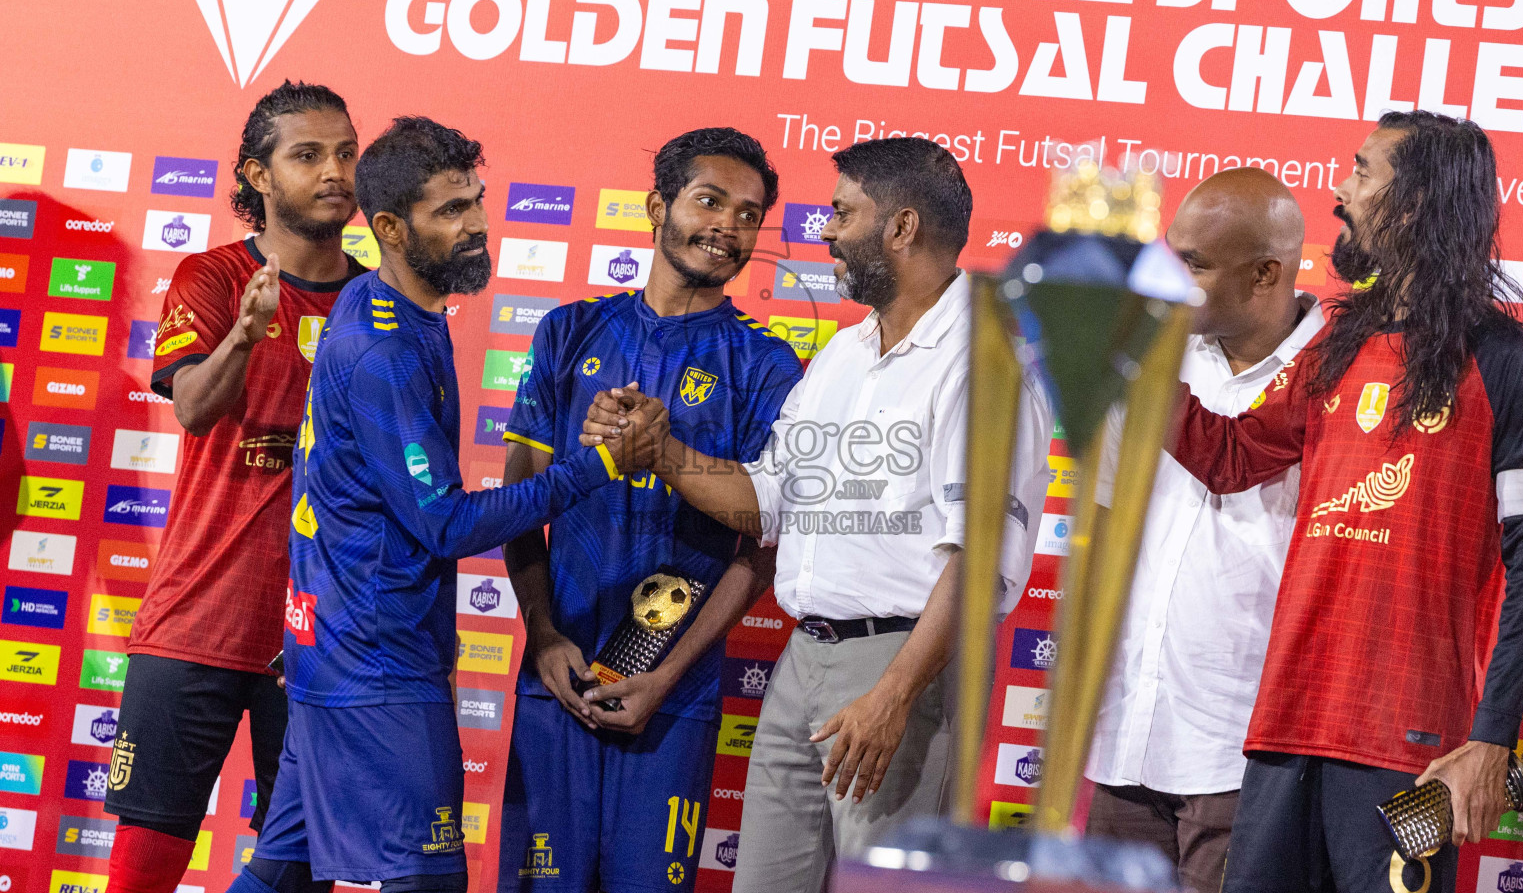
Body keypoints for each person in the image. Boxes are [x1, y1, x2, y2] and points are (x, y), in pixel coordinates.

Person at [582, 137, 1054, 892]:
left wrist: (893, 694)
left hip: (906, 667)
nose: (822, 230)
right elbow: (767, 501)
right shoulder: (843, 354)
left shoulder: (984, 362)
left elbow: (980, 560)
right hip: (803, 662)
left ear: (900, 229)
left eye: (841, 213)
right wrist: (662, 450)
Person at [227, 117, 660, 893]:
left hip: (342, 646)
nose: (477, 225)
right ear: (390, 228)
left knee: (281, 871)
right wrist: (597, 465)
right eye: (451, 212)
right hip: (374, 662)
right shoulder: (385, 347)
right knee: (428, 881)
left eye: (477, 202)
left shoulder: (386, 305)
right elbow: (446, 524)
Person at [1168, 111, 1523, 892]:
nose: (1340, 190)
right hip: (1287, 727)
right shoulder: (1338, 339)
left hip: (1415, 750)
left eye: (1363, 173)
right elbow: (1231, 455)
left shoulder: (1508, 362)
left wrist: (1492, 737)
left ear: (1416, 204)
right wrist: (1122, 356)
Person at [498, 128, 803, 893]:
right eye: (709, 201)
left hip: (677, 697)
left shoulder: (765, 364)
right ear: (657, 206)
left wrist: (667, 678)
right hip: (555, 680)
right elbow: (516, 505)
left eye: (748, 214)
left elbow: (763, 543)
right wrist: (541, 635)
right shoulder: (567, 332)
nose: (728, 227)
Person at [106, 80, 368, 892]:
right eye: (308, 155)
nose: (335, 171)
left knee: (303, 872)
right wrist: (246, 339)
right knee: (144, 865)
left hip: (321, 638)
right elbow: (193, 407)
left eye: (346, 153)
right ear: (257, 174)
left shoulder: (379, 303)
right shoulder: (213, 277)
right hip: (197, 620)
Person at [1083, 168, 1323, 893]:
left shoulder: (1341, 382)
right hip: (1125, 738)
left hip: (1246, 752)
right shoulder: (1144, 363)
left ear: (1266, 274)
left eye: (1194, 262)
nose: (1167, 276)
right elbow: (1105, 524)